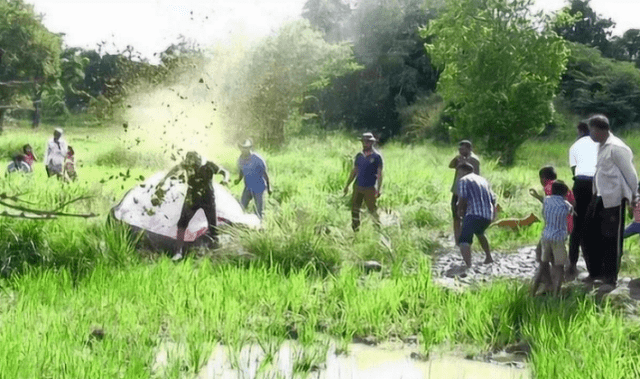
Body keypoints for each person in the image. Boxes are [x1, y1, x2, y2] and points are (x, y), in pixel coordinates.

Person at [583, 114, 638, 286]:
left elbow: (631, 175)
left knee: (611, 239)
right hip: (599, 196)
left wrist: (634, 197)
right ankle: (594, 272)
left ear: (600, 129)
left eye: (592, 130)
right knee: (590, 234)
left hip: (614, 198)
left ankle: (610, 277)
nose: (590, 134)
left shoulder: (617, 148)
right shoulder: (601, 147)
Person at [155, 151, 230, 260]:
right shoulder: (187, 164)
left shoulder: (208, 165)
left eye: (194, 164)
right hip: (192, 197)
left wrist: (225, 179)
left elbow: (224, 172)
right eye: (190, 165)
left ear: (199, 160)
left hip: (207, 198)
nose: (192, 168)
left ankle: (216, 252)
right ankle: (178, 252)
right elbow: (175, 169)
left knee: (212, 227)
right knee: (181, 224)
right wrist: (164, 179)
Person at [567, 121, 598, 278]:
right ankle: (594, 268)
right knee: (594, 225)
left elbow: (574, 169)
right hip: (596, 185)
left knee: (577, 226)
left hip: (580, 185)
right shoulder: (598, 144)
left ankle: (572, 263)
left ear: (580, 131)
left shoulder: (575, 146)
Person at [531, 181, 573, 296]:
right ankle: (555, 295)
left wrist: (536, 195)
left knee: (543, 264)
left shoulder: (547, 200)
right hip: (559, 239)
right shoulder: (566, 205)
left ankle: (532, 292)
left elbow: (542, 199)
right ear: (564, 193)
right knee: (559, 267)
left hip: (546, 237)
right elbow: (571, 213)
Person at [529, 166, 575, 265]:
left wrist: (538, 197)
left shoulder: (550, 187)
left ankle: (545, 271)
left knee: (543, 250)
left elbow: (551, 204)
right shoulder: (562, 185)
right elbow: (572, 203)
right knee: (557, 247)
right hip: (567, 223)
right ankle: (553, 268)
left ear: (543, 178)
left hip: (557, 225)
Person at [456, 162, 496, 267]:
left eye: (459, 172)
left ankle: (468, 265)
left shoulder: (464, 180)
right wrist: (493, 214)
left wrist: (459, 210)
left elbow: (463, 198)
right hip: (487, 215)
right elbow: (493, 199)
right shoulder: (484, 180)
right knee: (480, 233)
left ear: (463, 171)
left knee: (464, 239)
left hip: (473, 214)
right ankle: (488, 257)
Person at [343, 132, 383, 232]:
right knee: (355, 209)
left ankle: (378, 230)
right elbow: (354, 171)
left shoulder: (377, 157)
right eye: (364, 142)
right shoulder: (359, 156)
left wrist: (378, 189)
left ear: (372, 143)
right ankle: (355, 231)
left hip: (369, 188)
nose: (365, 144)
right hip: (358, 186)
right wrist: (347, 185)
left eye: (368, 142)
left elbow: (379, 174)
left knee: (372, 209)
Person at [449, 140, 480, 244]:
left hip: (467, 191)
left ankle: (465, 238)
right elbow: (450, 165)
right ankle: (457, 239)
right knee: (455, 214)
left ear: (469, 149)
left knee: (465, 214)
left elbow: (476, 176)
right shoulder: (459, 158)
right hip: (457, 190)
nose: (460, 151)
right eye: (459, 149)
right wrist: (458, 159)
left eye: (462, 149)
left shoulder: (474, 160)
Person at [234, 139, 271, 219]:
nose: (244, 150)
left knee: (259, 209)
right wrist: (238, 180)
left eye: (246, 148)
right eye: (242, 148)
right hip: (248, 187)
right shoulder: (240, 160)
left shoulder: (257, 159)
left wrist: (269, 187)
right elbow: (242, 172)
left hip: (258, 187)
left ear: (249, 148)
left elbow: (265, 173)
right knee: (241, 207)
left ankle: (260, 225)